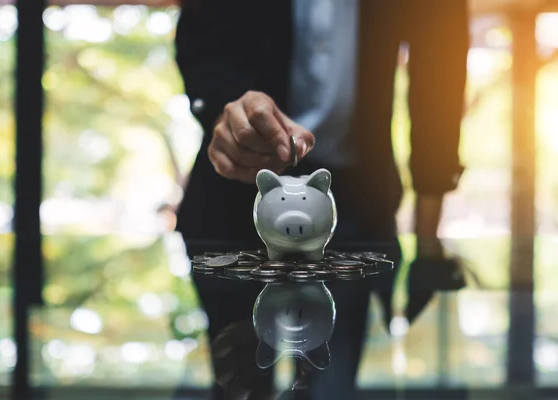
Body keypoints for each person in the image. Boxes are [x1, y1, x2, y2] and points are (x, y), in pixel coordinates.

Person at [174, 0, 469, 398]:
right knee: (238, 384)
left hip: (355, 205)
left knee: (333, 382)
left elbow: (440, 70)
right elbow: (203, 44)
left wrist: (428, 239)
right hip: (233, 200)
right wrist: (224, 117)